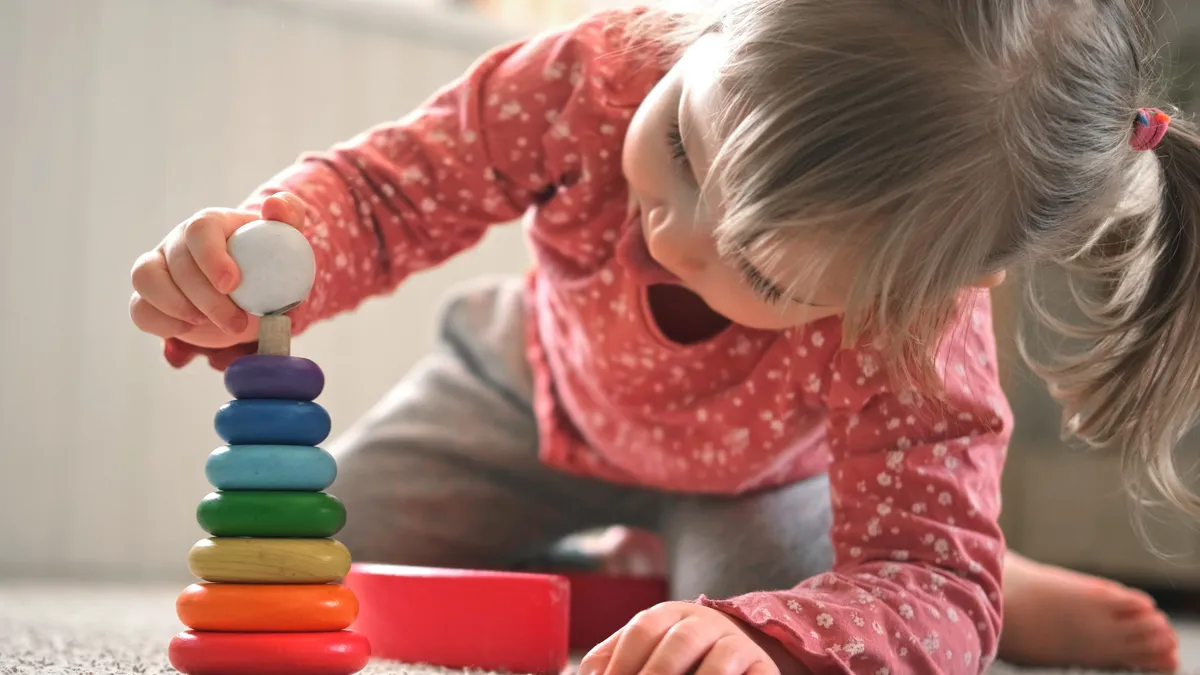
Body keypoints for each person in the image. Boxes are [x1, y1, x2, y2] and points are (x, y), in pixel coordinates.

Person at [128, 1, 1193, 673]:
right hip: (524, 389)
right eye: (682, 142)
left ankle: (999, 572)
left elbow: (924, 579)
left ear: (935, 288)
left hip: (759, 480)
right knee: (320, 560)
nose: (672, 234)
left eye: (764, 268)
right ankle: (618, 557)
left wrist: (767, 637)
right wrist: (269, 255)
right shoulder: (591, 71)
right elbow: (390, 193)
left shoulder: (913, 324)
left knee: (730, 636)